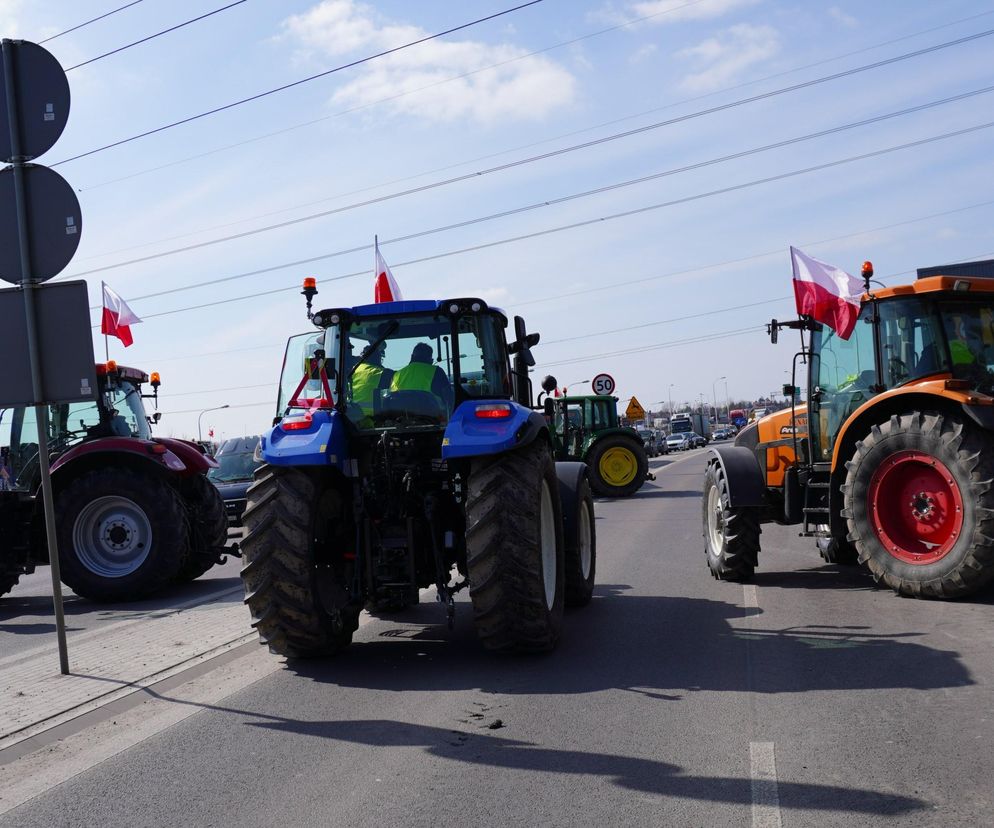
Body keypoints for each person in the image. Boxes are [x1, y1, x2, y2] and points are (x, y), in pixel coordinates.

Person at [390, 342, 453, 411]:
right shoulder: (437, 371)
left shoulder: (397, 374)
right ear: (430, 359)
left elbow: (392, 398)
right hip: (432, 418)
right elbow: (449, 398)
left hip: (403, 418)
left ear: (412, 357)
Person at [351, 341, 393, 418]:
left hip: (351, 416)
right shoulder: (381, 373)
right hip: (373, 418)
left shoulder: (352, 370)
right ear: (377, 358)